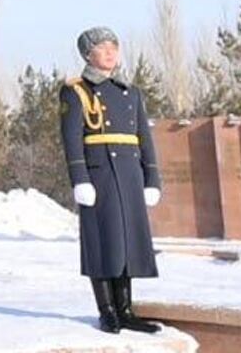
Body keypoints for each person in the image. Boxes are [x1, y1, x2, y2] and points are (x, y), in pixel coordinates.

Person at [60, 27, 162, 334]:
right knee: (103, 242)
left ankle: (126, 310)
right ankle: (107, 312)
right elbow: (71, 138)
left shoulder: (131, 92)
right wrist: (80, 178)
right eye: (103, 48)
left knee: (128, 242)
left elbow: (144, 137)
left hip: (130, 174)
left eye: (113, 47)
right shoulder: (77, 90)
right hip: (99, 173)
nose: (110, 53)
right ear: (88, 54)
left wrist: (152, 178)